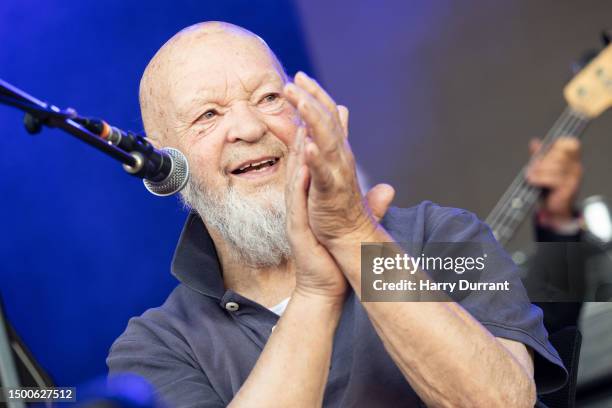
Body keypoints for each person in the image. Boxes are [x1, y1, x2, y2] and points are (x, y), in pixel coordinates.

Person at [107, 22, 567, 407]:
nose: (249, 128)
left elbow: (503, 401)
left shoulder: (438, 236)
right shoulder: (157, 346)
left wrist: (354, 236)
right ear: (165, 165)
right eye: (208, 114)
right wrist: (316, 290)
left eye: (270, 98)